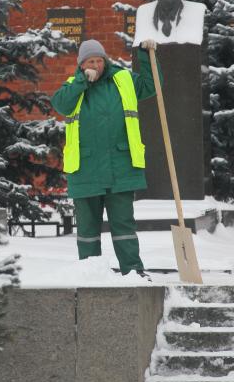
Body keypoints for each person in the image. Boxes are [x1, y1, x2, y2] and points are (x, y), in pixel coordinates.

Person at [51, 38, 162, 280]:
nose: (95, 65)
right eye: (90, 61)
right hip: (85, 170)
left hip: (121, 168)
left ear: (105, 61)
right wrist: (82, 82)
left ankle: (133, 271)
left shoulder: (123, 80)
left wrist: (145, 55)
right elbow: (60, 104)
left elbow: (151, 85)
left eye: (99, 60)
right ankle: (91, 274)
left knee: (124, 226)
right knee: (88, 231)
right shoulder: (72, 86)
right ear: (81, 64)